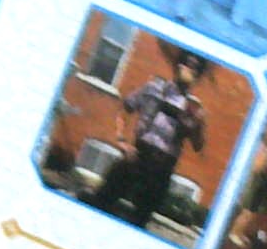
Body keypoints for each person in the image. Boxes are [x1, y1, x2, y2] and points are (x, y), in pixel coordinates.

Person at [87, 49, 209, 230]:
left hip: (163, 165)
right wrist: (121, 141)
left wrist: (198, 125)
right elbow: (124, 110)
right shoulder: (153, 89)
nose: (188, 70)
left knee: (140, 218)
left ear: (197, 76)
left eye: (195, 68)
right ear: (177, 65)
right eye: (186, 63)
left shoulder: (193, 108)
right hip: (139, 154)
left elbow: (198, 146)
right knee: (103, 199)